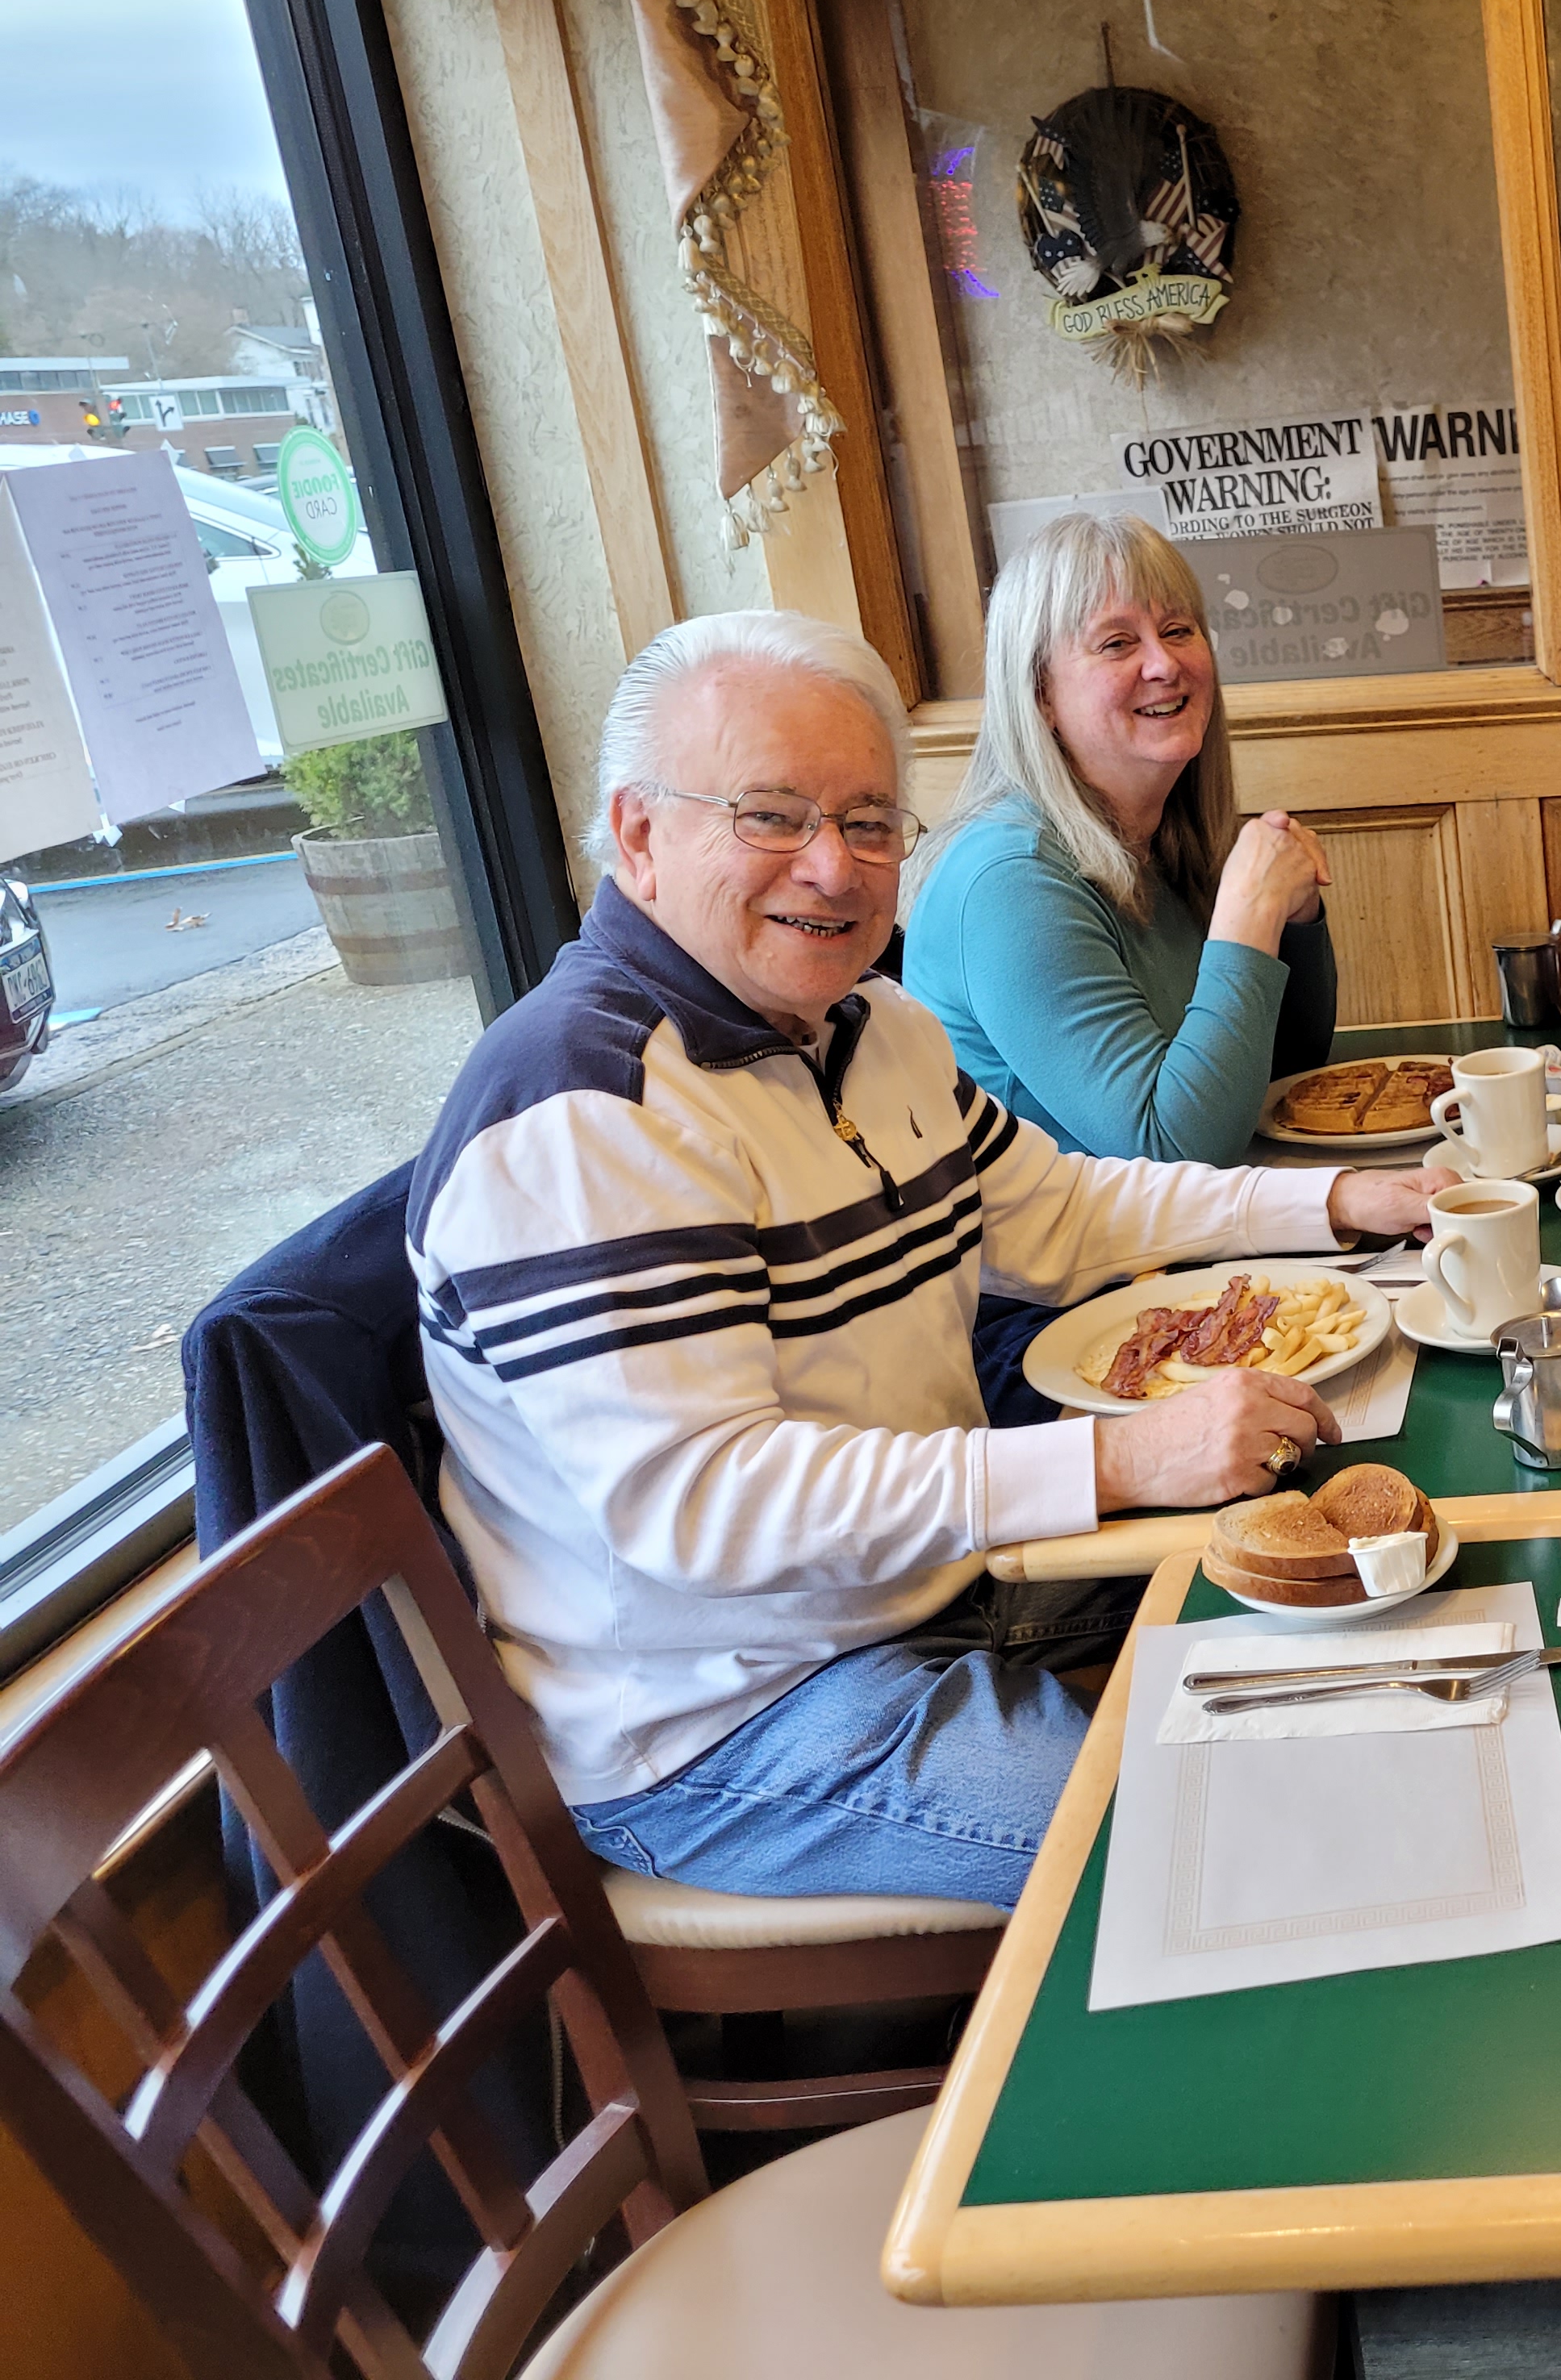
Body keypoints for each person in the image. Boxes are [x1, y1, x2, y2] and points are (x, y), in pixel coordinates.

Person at [410, 611, 1450, 1908]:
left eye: (868, 822)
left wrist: (1346, 1200)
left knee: (1385, 1601)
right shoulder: (584, 1111)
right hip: (726, 1719)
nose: (834, 869)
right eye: (773, 817)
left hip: (933, 1588)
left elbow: (1063, 1213)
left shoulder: (872, 1025)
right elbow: (709, 1506)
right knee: (1235, 1848)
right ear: (638, 834)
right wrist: (1124, 1459)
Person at [906, 511, 1334, 1165]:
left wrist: (1294, 918)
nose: (1164, 664)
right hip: (1082, 1265)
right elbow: (1174, 1150)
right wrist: (1249, 918)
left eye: (1177, 630)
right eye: (1116, 644)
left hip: (1199, 1241)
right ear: (1041, 693)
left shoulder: (1162, 838)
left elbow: (1282, 1078)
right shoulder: (1011, 879)